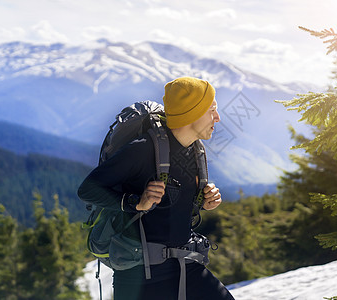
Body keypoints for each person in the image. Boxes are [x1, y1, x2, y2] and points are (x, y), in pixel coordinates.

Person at [77, 77, 235, 300]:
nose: (217, 118)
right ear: (192, 113)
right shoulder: (142, 150)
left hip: (185, 264)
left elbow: (174, 203)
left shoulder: (195, 150)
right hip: (139, 277)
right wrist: (135, 202)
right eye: (212, 110)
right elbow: (88, 189)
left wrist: (204, 200)